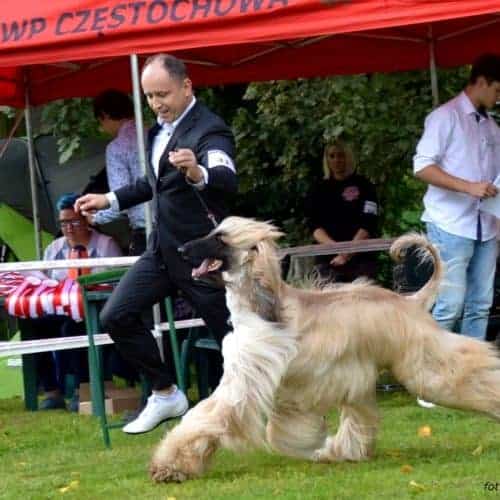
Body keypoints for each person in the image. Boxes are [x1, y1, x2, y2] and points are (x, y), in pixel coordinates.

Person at [74, 53, 237, 434]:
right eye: (149, 96)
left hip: (202, 257)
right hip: (161, 252)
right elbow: (153, 183)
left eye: (162, 94)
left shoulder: (210, 129)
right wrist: (108, 199)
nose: (156, 103)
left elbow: (226, 179)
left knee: (235, 342)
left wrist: (197, 172)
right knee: (115, 315)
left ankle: (281, 403)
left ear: (186, 86)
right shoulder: (156, 133)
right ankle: (165, 393)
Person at [413, 54, 500, 408]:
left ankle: (470, 378)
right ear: (481, 82)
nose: (498, 98)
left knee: (480, 305)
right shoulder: (444, 117)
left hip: (487, 226)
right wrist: (469, 187)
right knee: (449, 303)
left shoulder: (492, 128)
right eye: (497, 90)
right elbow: (421, 166)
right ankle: (430, 381)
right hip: (450, 223)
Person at [34, 193, 123, 411]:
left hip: (98, 309)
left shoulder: (106, 245)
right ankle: (51, 391)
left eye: (73, 222)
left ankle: (81, 390)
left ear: (86, 220)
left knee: (72, 328)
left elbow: (118, 282)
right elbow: (42, 281)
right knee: (36, 325)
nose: (68, 228)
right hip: (62, 308)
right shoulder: (54, 249)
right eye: (63, 223)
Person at [308, 139, 379, 283]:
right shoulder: (318, 189)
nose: (336, 160)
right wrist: (337, 250)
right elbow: (315, 227)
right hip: (328, 259)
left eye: (340, 155)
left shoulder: (365, 185)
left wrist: (347, 253)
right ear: (327, 160)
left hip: (361, 258)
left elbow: (368, 224)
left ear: (348, 157)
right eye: (332, 156)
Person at [92, 89, 147, 256]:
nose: (102, 128)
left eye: (100, 122)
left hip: (147, 230)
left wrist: (95, 217)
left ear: (105, 116)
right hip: (175, 222)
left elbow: (121, 199)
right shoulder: (156, 134)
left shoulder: (117, 148)